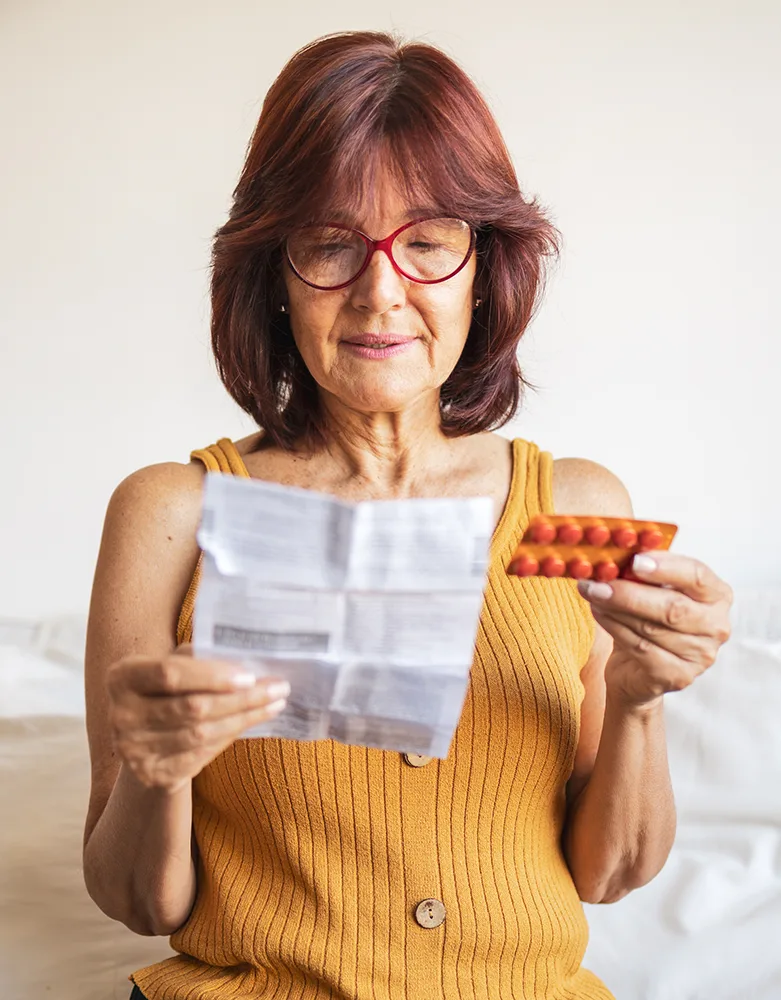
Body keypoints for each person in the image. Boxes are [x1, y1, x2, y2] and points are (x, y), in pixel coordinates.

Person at [82, 30, 732, 1000]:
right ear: (275, 273)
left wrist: (639, 694)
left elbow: (609, 874)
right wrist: (155, 767)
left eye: (426, 242)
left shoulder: (575, 506)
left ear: (483, 268)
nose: (380, 292)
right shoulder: (174, 513)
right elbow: (138, 900)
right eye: (332, 244)